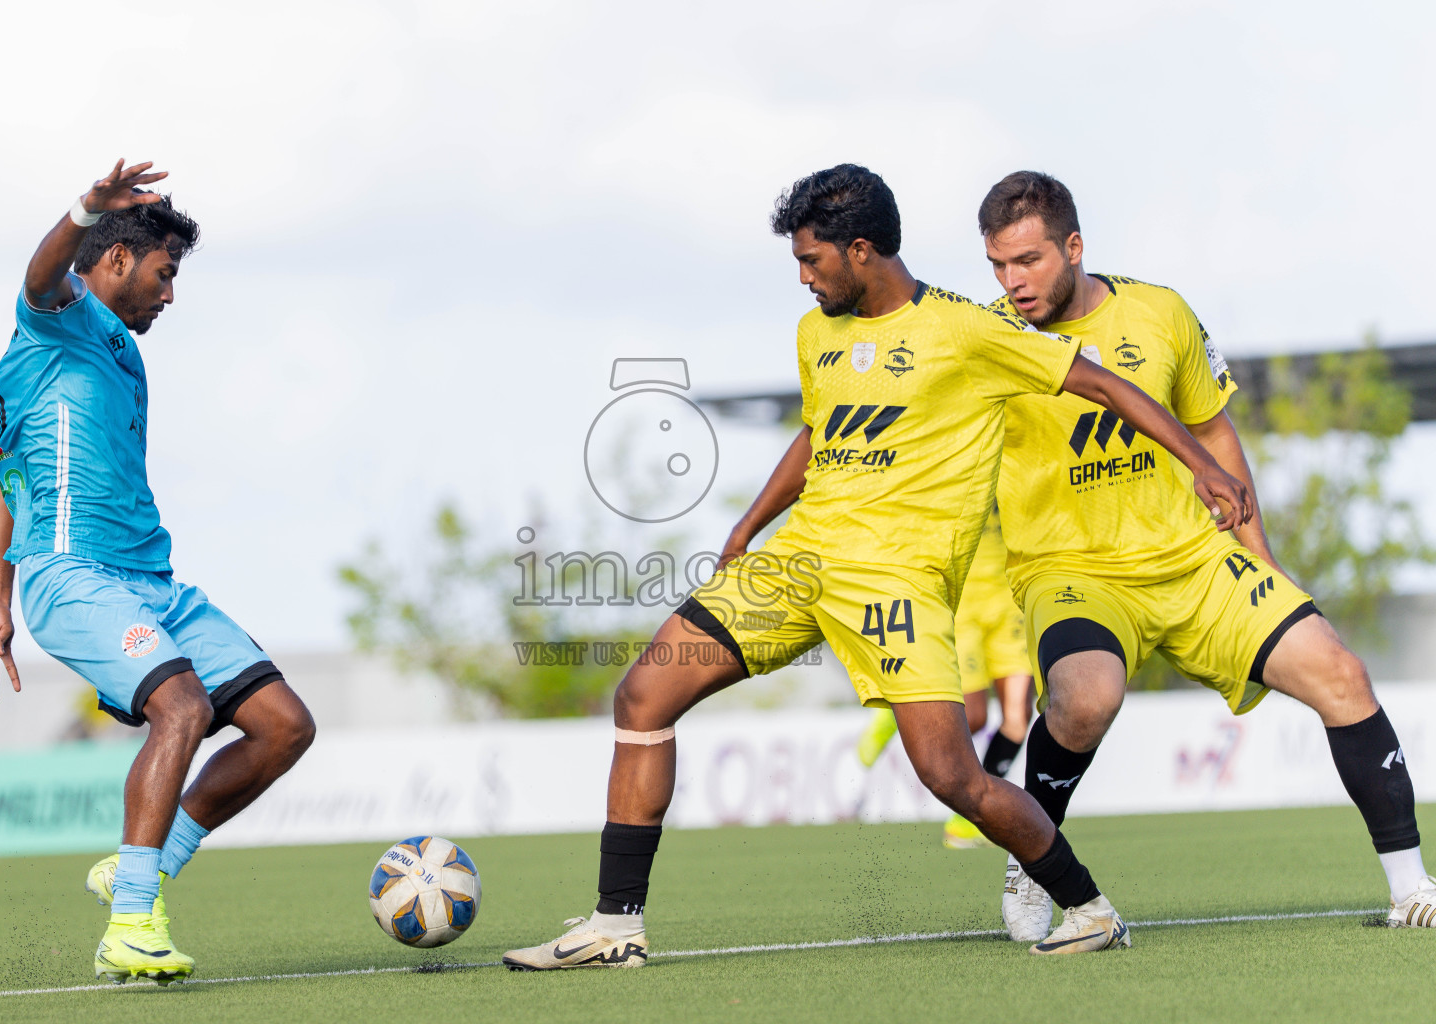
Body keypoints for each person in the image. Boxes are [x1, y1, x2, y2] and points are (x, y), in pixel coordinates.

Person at [502, 163, 1254, 969]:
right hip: (798, 564)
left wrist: (1205, 467)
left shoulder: (969, 331)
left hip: (897, 584)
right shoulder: (816, 332)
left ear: (860, 251)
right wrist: (749, 526)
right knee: (645, 694)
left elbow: (1104, 387)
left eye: (811, 260)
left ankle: (1087, 907)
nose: (802, 278)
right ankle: (616, 927)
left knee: (952, 778)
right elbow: (820, 431)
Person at [978, 170, 1435, 940]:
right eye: (997, 265)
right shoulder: (985, 338)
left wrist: (1259, 556)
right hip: (1074, 573)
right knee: (1086, 699)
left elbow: (1217, 435)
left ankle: (1412, 890)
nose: (1013, 282)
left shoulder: (1161, 313)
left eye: (1029, 261)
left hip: (1195, 564)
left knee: (1341, 674)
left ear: (1075, 246)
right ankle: (1033, 859)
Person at [0, 160, 318, 985]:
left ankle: (139, 866)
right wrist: (86, 209)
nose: (170, 292)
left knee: (284, 725)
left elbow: (8, 478)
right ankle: (131, 926)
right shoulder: (58, 320)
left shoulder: (114, 352)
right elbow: (41, 274)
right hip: (75, 577)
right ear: (115, 260)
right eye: (165, 271)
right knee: (181, 708)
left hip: (154, 583)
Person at [856, 506, 1035, 850]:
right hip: (963, 603)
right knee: (974, 717)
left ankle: (969, 821)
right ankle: (897, 708)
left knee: (1018, 718)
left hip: (1008, 599)